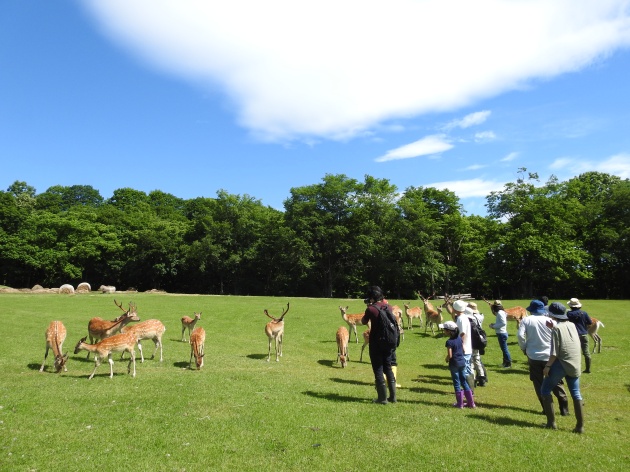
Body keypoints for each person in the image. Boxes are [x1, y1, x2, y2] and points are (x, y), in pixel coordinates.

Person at [518, 299, 570, 416]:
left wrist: (524, 347)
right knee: (556, 381)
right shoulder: (552, 320)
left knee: (538, 382)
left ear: (531, 310)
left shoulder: (526, 320)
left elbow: (520, 335)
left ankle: (546, 408)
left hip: (533, 355)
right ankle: (564, 407)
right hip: (551, 355)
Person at [541, 302, 585, 433]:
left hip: (561, 363)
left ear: (551, 314)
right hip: (575, 363)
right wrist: (552, 328)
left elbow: (554, 352)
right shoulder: (571, 324)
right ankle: (580, 427)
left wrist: (547, 366)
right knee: (576, 393)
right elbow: (565, 337)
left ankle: (551, 423)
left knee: (545, 390)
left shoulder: (556, 329)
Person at [361, 286, 397, 404]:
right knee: (388, 367)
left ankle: (382, 398)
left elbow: (363, 321)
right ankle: (393, 397)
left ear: (372, 298)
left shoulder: (371, 309)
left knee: (378, 369)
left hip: (376, 343)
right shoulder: (389, 307)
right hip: (389, 342)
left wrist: (368, 307)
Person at [439, 320, 475, 408]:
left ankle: (460, 404)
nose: (443, 331)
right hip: (462, 362)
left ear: (449, 331)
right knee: (464, 382)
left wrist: (447, 359)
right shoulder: (459, 338)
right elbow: (463, 350)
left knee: (456, 383)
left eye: (444, 329)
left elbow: (450, 355)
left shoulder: (449, 342)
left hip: (454, 364)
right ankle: (471, 403)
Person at [452, 300, 475, 395]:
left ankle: (469, 391)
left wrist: (459, 346)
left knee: (464, 370)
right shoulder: (464, 317)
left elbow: (462, 334)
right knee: (468, 369)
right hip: (467, 347)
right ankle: (470, 390)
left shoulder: (460, 319)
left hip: (464, 348)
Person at [566, 298, 593, 374]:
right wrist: (585, 329)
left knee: (573, 352)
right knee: (586, 352)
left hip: (573, 335)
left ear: (570, 306)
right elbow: (590, 323)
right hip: (584, 334)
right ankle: (588, 369)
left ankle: (574, 368)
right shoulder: (584, 313)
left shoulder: (569, 314)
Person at [468, 302, 488, 387]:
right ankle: (482, 377)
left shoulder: (472, 319)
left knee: (472, 361)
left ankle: (473, 379)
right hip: (479, 339)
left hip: (473, 340)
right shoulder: (480, 316)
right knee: (477, 360)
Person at [490, 300, 512, 368]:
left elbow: (503, 323)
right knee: (503, 349)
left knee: (504, 349)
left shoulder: (500, 313)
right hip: (502, 333)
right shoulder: (502, 312)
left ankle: (508, 363)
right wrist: (495, 324)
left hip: (501, 333)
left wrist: (494, 326)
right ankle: (505, 362)